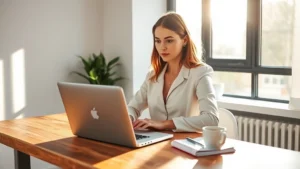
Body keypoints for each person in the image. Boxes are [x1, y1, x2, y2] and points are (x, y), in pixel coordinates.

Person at [127, 12, 218, 132]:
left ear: (184, 40)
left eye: (169, 41)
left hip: (186, 143)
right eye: (158, 41)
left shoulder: (200, 73)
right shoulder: (153, 76)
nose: (162, 47)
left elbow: (211, 119)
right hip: (155, 142)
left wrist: (165, 124)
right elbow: (133, 107)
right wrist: (128, 118)